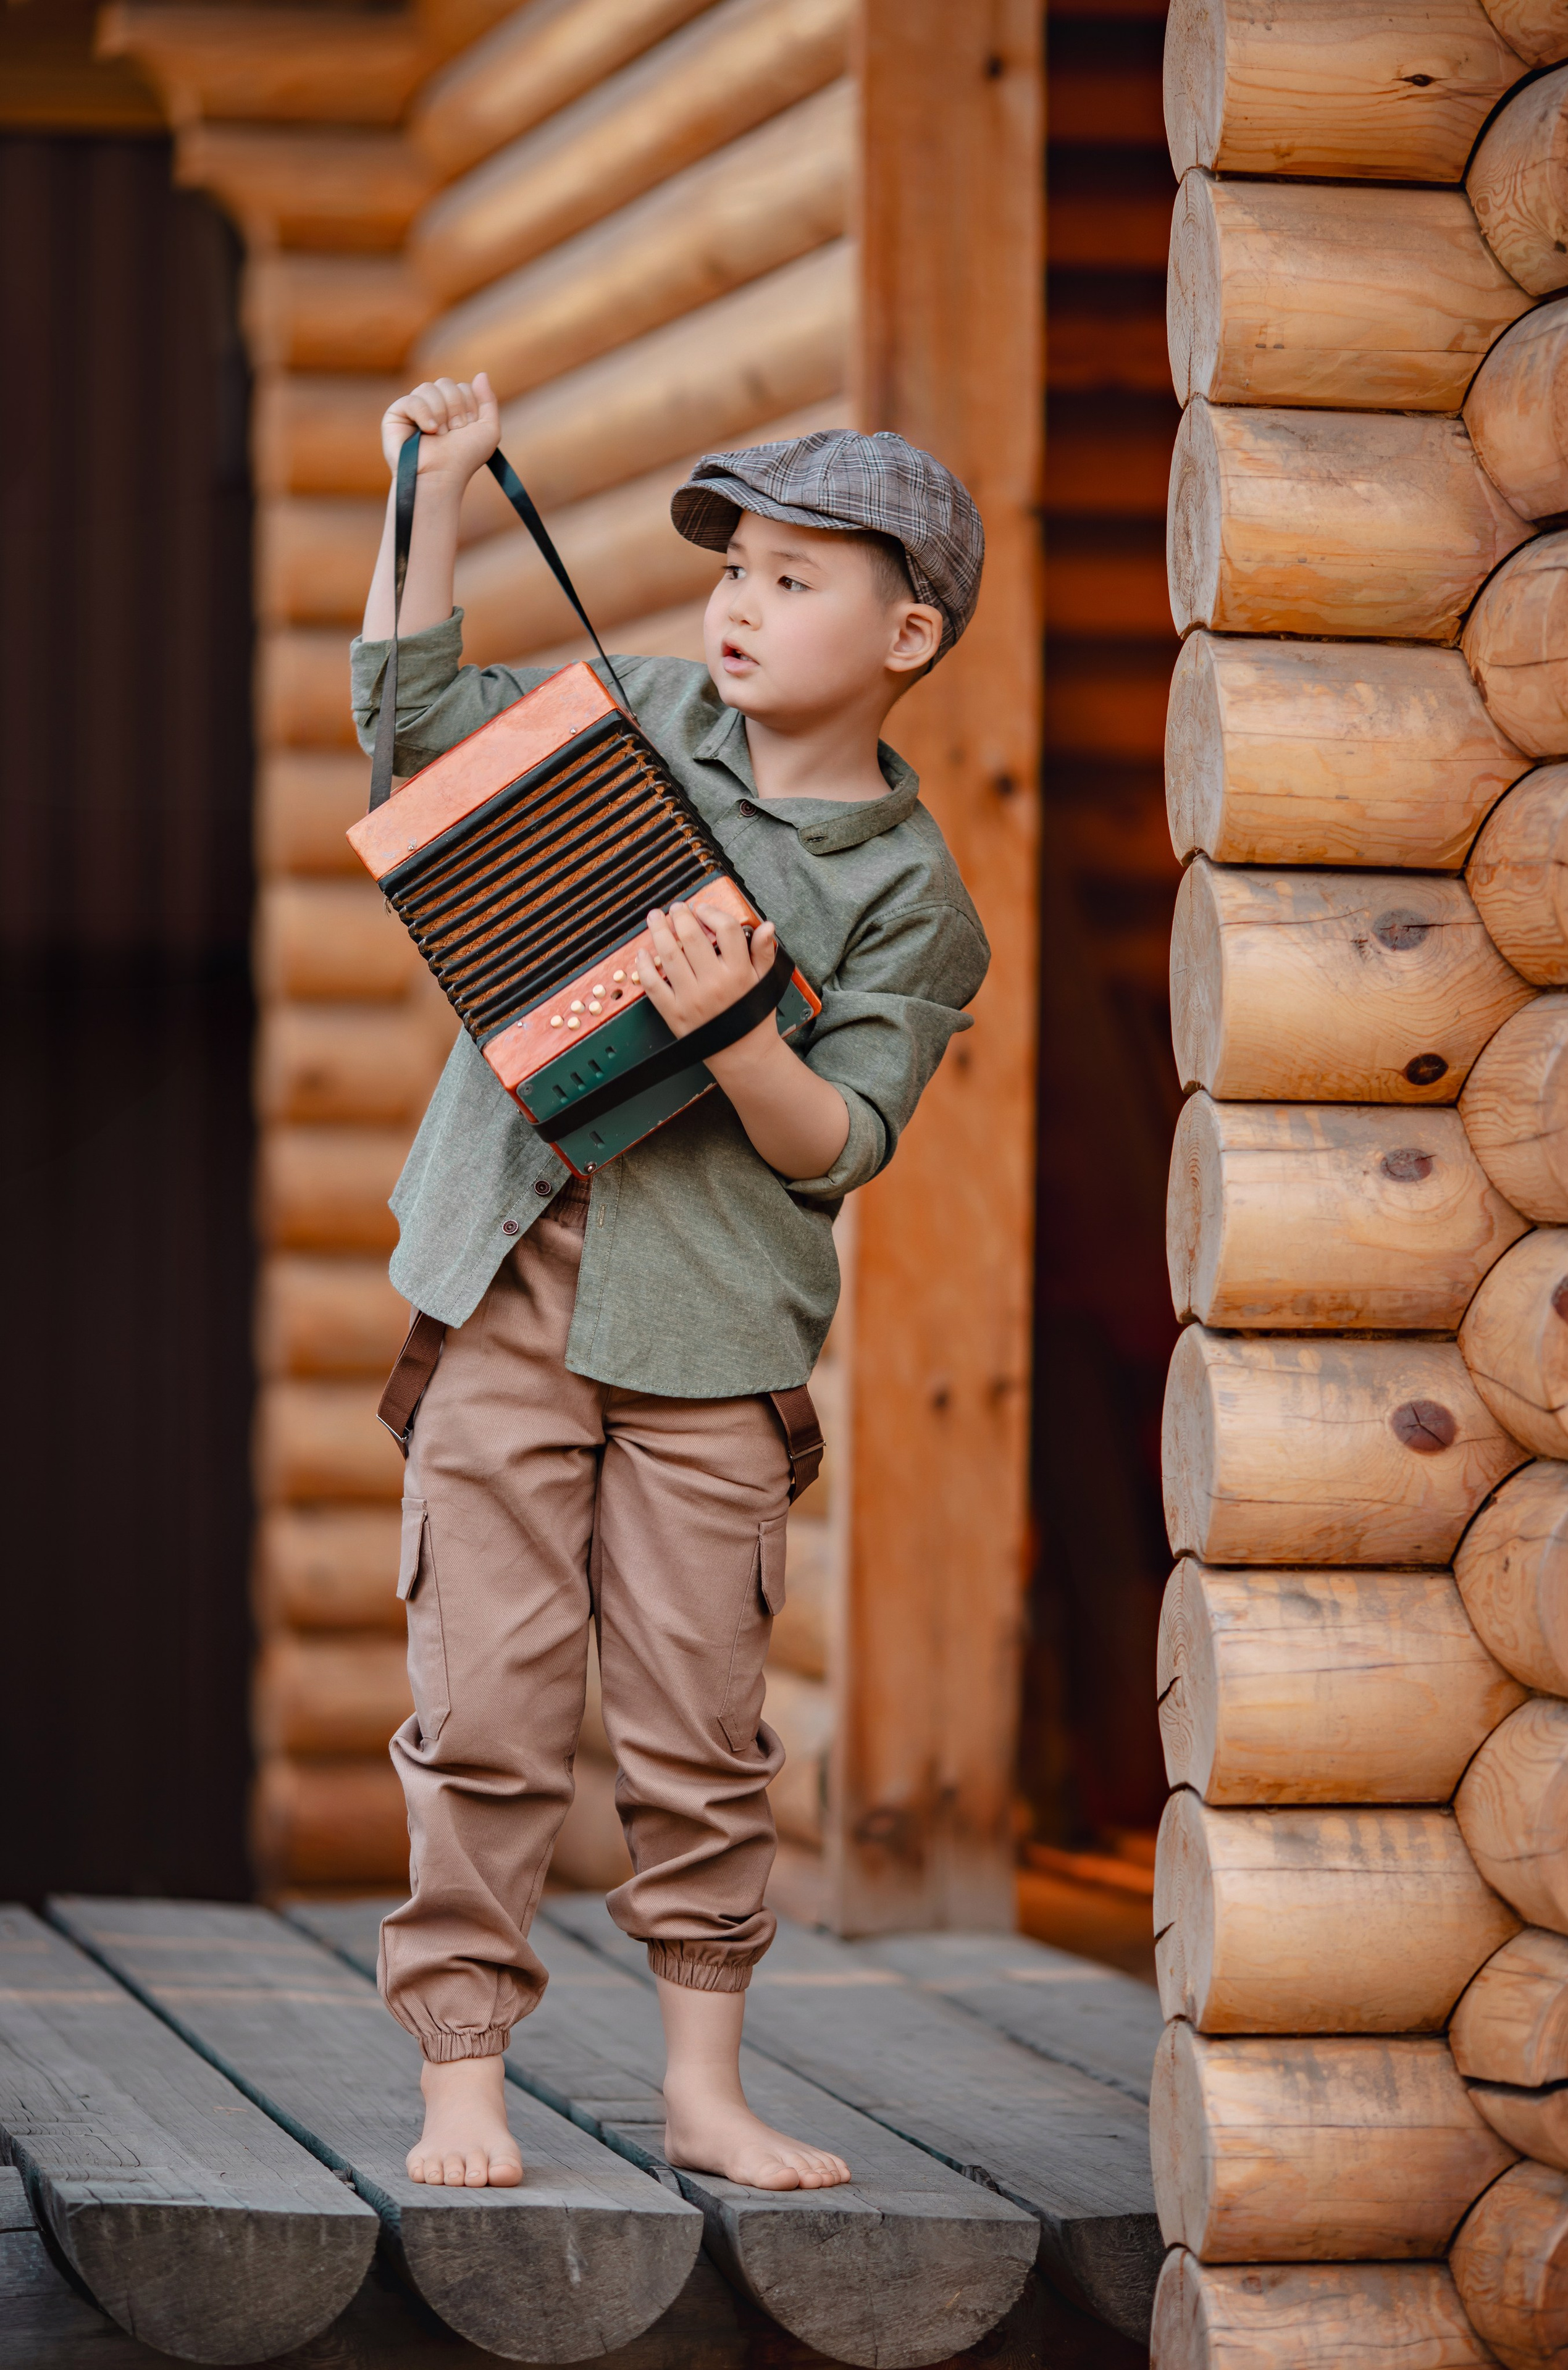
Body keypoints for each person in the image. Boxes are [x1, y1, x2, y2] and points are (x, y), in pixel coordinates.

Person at [351, 369, 990, 2194]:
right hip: (506, 1296)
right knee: (485, 1702)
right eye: (737, 567)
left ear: (909, 633)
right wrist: (440, 493)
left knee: (700, 1726)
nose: (741, 601)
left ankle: (702, 2093)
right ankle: (461, 2073)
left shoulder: (913, 897)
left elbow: (841, 1141)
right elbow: (405, 737)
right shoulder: (620, 719)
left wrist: (734, 1034)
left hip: (715, 1344)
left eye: (799, 579)